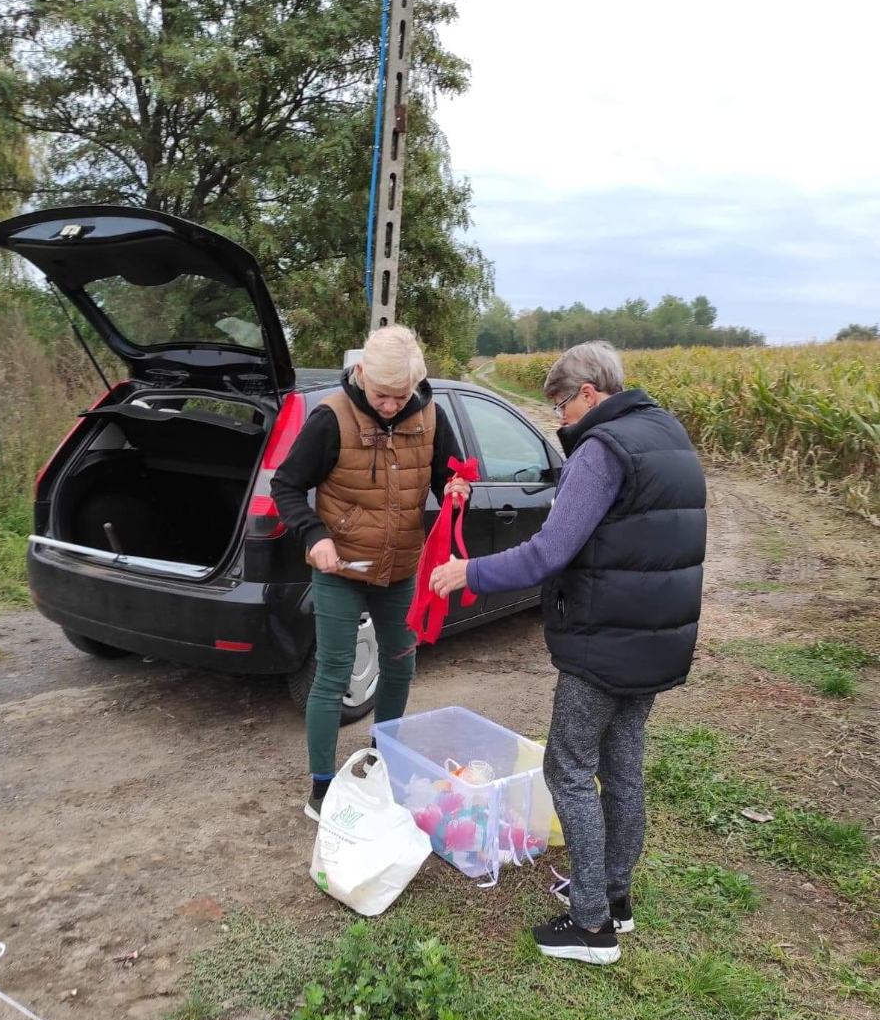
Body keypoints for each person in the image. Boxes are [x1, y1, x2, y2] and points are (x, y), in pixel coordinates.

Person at [430, 341, 706, 965]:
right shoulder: (667, 433)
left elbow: (548, 552)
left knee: (569, 769)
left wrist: (467, 573)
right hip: (656, 637)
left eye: (560, 405)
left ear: (590, 394)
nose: (558, 419)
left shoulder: (603, 451)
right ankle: (615, 897)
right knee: (624, 766)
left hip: (604, 640)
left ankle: (590, 927)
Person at [272, 325, 471, 821]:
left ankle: (384, 764)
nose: (388, 405)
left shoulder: (429, 415)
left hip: (402, 569)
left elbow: (449, 473)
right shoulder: (330, 419)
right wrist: (313, 536)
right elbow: (287, 486)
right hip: (340, 569)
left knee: (401, 664)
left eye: (399, 396)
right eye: (381, 395)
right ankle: (321, 789)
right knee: (333, 673)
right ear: (361, 374)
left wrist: (456, 488)